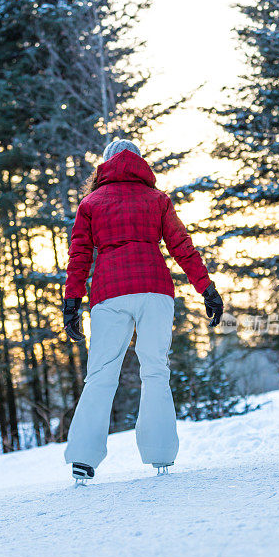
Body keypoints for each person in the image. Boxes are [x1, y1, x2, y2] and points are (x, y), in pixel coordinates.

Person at [62, 139, 224, 483]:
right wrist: (206, 288)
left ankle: (83, 459)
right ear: (139, 163)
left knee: (101, 375)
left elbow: (79, 256)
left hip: (110, 293)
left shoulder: (91, 202)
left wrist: (72, 302)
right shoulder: (157, 199)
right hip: (155, 289)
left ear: (104, 164)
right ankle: (161, 454)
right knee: (155, 371)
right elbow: (182, 244)